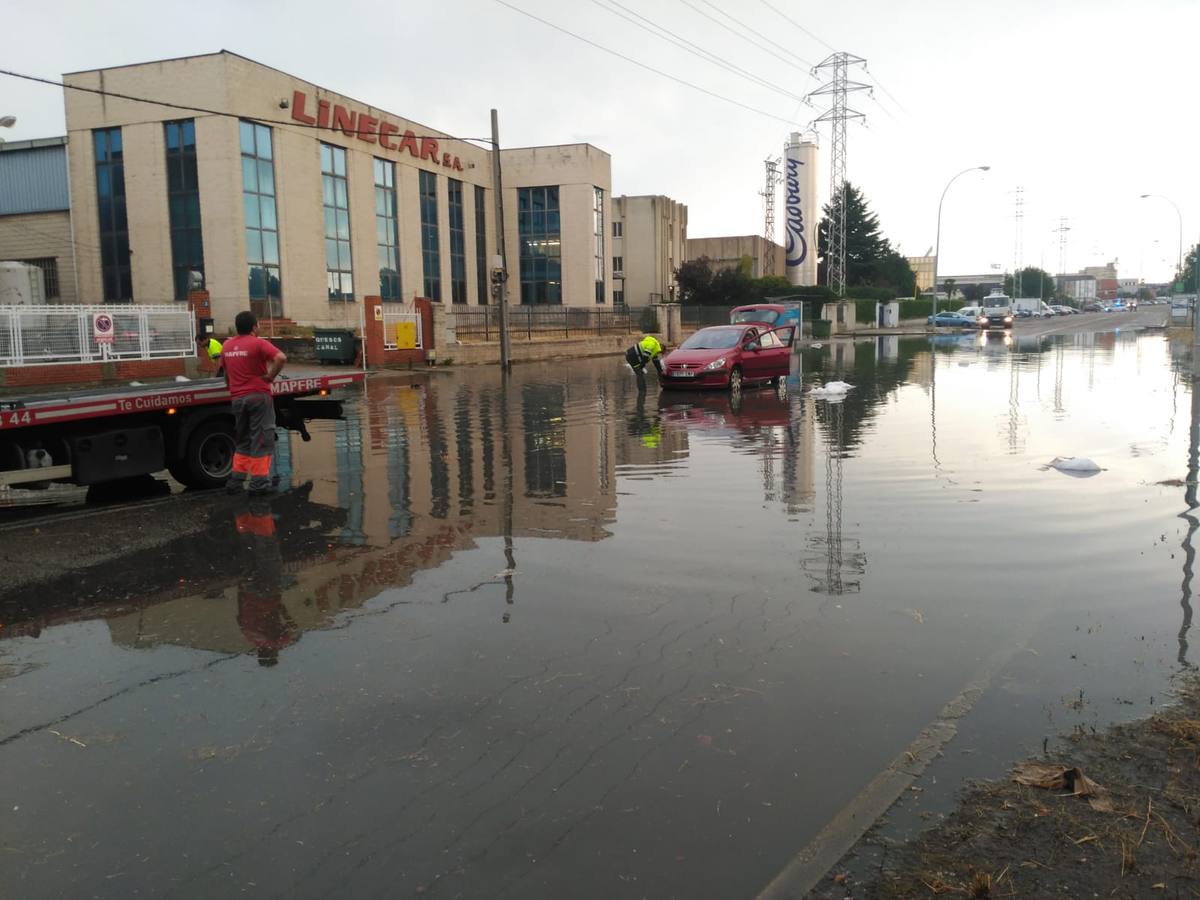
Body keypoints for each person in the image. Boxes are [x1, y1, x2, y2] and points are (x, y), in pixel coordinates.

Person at [222, 311, 287, 495]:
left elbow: (226, 373)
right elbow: (281, 358)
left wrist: (233, 388)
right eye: (257, 325)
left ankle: (236, 481)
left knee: (242, 440)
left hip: (237, 398)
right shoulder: (258, 343)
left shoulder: (227, 345)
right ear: (253, 327)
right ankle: (258, 485)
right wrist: (270, 376)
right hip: (258, 396)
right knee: (261, 439)